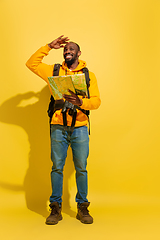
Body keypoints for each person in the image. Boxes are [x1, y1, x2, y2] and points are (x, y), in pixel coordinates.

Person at [26, 35, 101, 225]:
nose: (67, 51)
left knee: (81, 168)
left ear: (79, 53)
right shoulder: (54, 70)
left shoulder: (88, 75)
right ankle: (56, 208)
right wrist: (48, 46)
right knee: (57, 168)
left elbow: (97, 101)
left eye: (71, 49)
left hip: (80, 128)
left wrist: (81, 102)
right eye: (65, 50)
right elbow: (31, 64)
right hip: (58, 126)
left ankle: (82, 207)